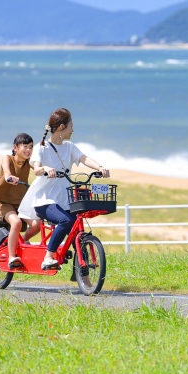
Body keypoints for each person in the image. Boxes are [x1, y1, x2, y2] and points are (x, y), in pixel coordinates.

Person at [18, 108, 109, 270]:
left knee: (76, 231)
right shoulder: (42, 148)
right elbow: (36, 168)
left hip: (65, 201)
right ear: (61, 128)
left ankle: (82, 272)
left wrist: (100, 167)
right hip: (44, 201)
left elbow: (84, 158)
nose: (72, 130)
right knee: (65, 221)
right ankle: (48, 256)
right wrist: (46, 168)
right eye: (70, 126)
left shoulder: (69, 147)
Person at [0, 133, 40, 268]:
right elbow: (6, 172)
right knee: (16, 222)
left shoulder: (29, 162)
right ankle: (11, 257)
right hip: (5, 203)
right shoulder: (8, 158)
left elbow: (38, 169)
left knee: (37, 224)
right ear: (15, 148)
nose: (28, 150)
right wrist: (9, 176)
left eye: (31, 147)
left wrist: (48, 171)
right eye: (25, 146)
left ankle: (24, 241)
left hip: (22, 203)